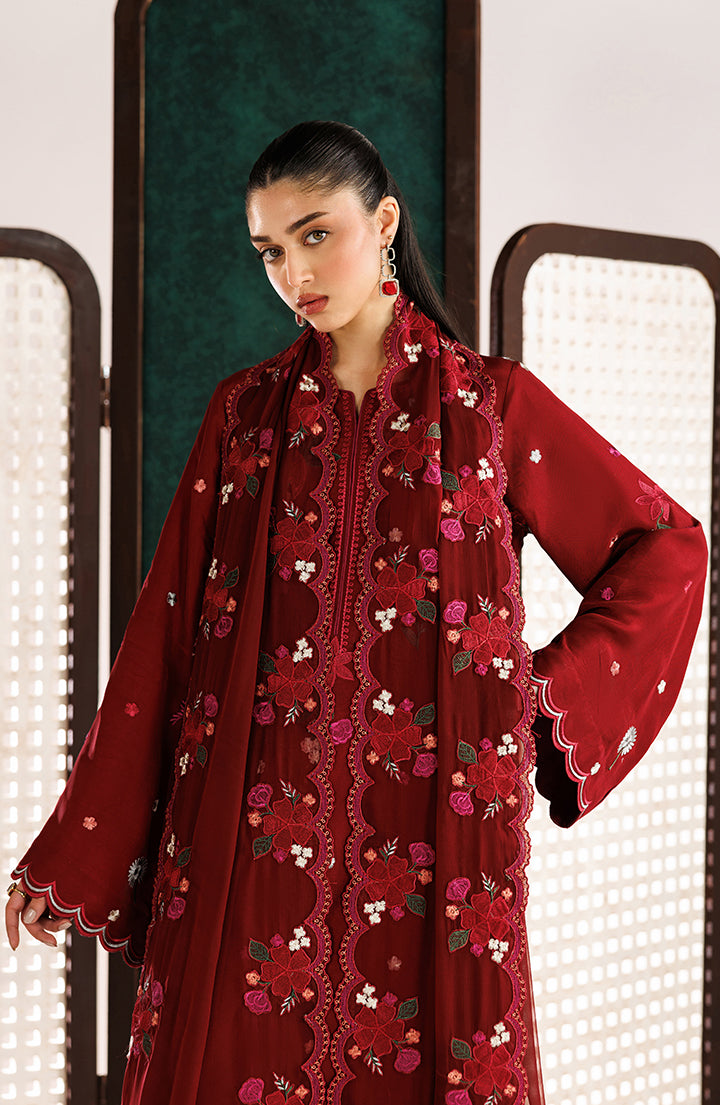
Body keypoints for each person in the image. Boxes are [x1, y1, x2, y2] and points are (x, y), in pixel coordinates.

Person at [5, 121, 707, 1105]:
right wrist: (78, 844)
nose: (294, 272)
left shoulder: (492, 407)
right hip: (248, 837)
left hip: (437, 838)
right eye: (270, 250)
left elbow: (664, 546)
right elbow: (162, 640)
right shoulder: (243, 417)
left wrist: (534, 701)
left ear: (383, 222)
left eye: (315, 234)